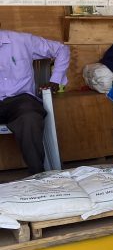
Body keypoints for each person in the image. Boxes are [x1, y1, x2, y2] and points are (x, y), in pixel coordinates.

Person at [0, 29, 70, 174]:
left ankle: (37, 175)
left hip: (20, 100)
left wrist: (55, 79)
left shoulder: (21, 40)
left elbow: (61, 49)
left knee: (30, 117)